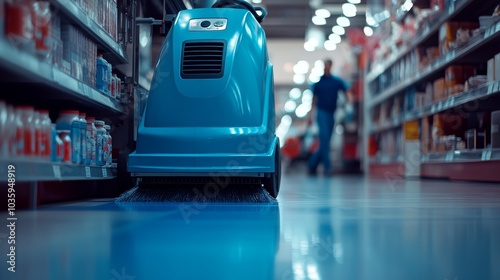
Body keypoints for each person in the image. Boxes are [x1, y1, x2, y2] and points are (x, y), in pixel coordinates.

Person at [307, 59, 350, 176]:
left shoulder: (336, 82)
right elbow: (313, 101)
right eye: (324, 66)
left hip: (332, 113)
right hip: (321, 113)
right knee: (325, 139)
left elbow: (346, 92)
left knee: (326, 141)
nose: (326, 67)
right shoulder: (318, 83)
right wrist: (310, 116)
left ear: (331, 66)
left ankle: (312, 164)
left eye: (327, 65)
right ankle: (328, 168)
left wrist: (348, 106)